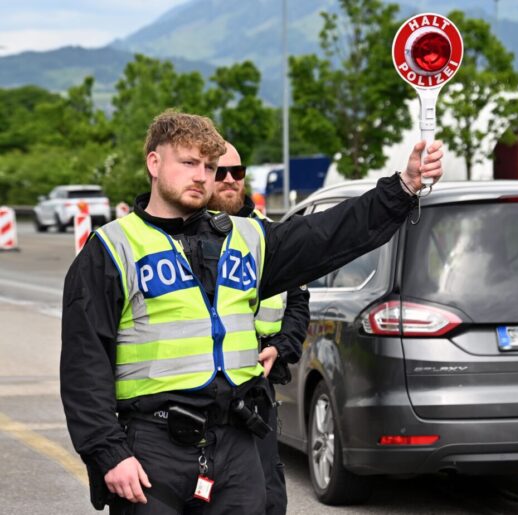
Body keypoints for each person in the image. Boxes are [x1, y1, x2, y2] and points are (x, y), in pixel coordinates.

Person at [60, 110, 442, 514]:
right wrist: (109, 453)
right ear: (154, 163)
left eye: (209, 166)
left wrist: (402, 188)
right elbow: (85, 365)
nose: (201, 176)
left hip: (236, 443)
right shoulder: (112, 249)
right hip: (154, 448)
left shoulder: (247, 238)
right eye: (188, 163)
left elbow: (327, 235)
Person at [207, 141, 308, 515]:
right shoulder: (188, 234)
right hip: (203, 389)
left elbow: (297, 301)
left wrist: (281, 346)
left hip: (258, 388)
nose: (231, 180)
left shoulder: (267, 235)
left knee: (266, 495)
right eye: (221, 172)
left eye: (238, 171)